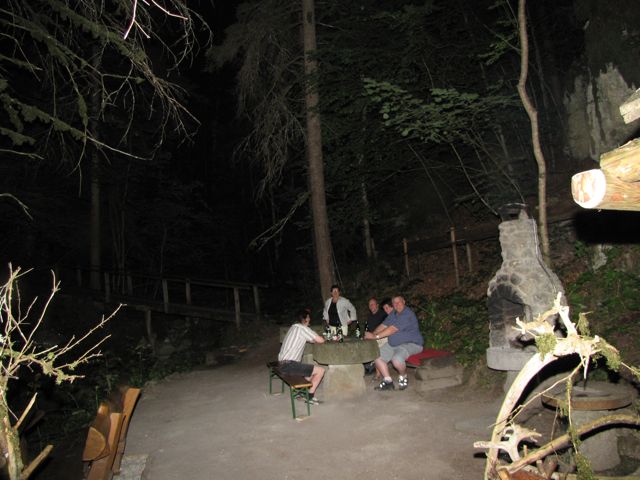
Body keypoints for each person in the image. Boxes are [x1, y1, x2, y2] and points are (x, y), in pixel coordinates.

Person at [364, 295, 423, 391]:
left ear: (404, 302)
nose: (396, 304)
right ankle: (388, 381)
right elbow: (383, 326)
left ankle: (403, 376)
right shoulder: (393, 314)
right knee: (376, 355)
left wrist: (376, 337)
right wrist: (372, 334)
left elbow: (392, 329)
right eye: (394, 303)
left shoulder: (407, 314)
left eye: (398, 302)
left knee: (396, 360)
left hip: (412, 344)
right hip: (394, 344)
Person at [278, 309, 326, 404]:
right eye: (308, 317)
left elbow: (312, 340)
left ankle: (302, 393)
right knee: (320, 371)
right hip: (289, 365)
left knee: (308, 372)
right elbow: (320, 340)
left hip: (282, 364)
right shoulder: (302, 328)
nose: (310, 319)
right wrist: (324, 338)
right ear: (305, 319)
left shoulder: (293, 327)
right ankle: (310, 397)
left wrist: (315, 339)